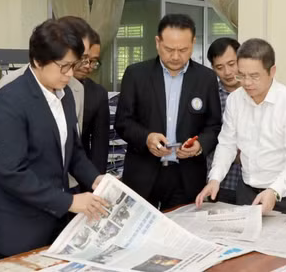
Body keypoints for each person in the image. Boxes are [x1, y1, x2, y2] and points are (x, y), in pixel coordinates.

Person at [0, 19, 108, 261]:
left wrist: (96, 179)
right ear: (37, 61)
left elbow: (73, 152)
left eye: (73, 65)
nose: (69, 74)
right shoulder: (10, 101)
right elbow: (11, 172)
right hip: (14, 227)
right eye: (63, 66)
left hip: (52, 223)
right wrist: (69, 201)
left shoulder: (65, 95)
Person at [115, 14, 222, 211]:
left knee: (182, 227)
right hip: (143, 174)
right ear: (158, 43)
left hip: (186, 176)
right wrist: (147, 138)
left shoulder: (206, 78)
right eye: (169, 49)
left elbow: (214, 125)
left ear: (193, 43)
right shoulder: (136, 74)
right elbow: (123, 122)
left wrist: (199, 145)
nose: (175, 56)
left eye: (183, 50)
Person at [196, 39, 286, 214]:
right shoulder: (235, 100)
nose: (247, 83)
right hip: (247, 190)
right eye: (241, 75)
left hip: (283, 191)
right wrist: (215, 179)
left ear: (272, 71)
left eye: (254, 76)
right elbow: (227, 144)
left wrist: (275, 191)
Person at [204, 37, 244, 205]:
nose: (227, 72)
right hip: (222, 183)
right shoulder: (209, 96)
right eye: (219, 67)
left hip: (256, 183)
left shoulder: (256, 93)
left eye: (232, 64)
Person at [74, 27, 110, 176]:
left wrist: (97, 181)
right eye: (83, 58)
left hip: (82, 174)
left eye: (93, 61)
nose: (88, 66)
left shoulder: (97, 94)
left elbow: (99, 148)